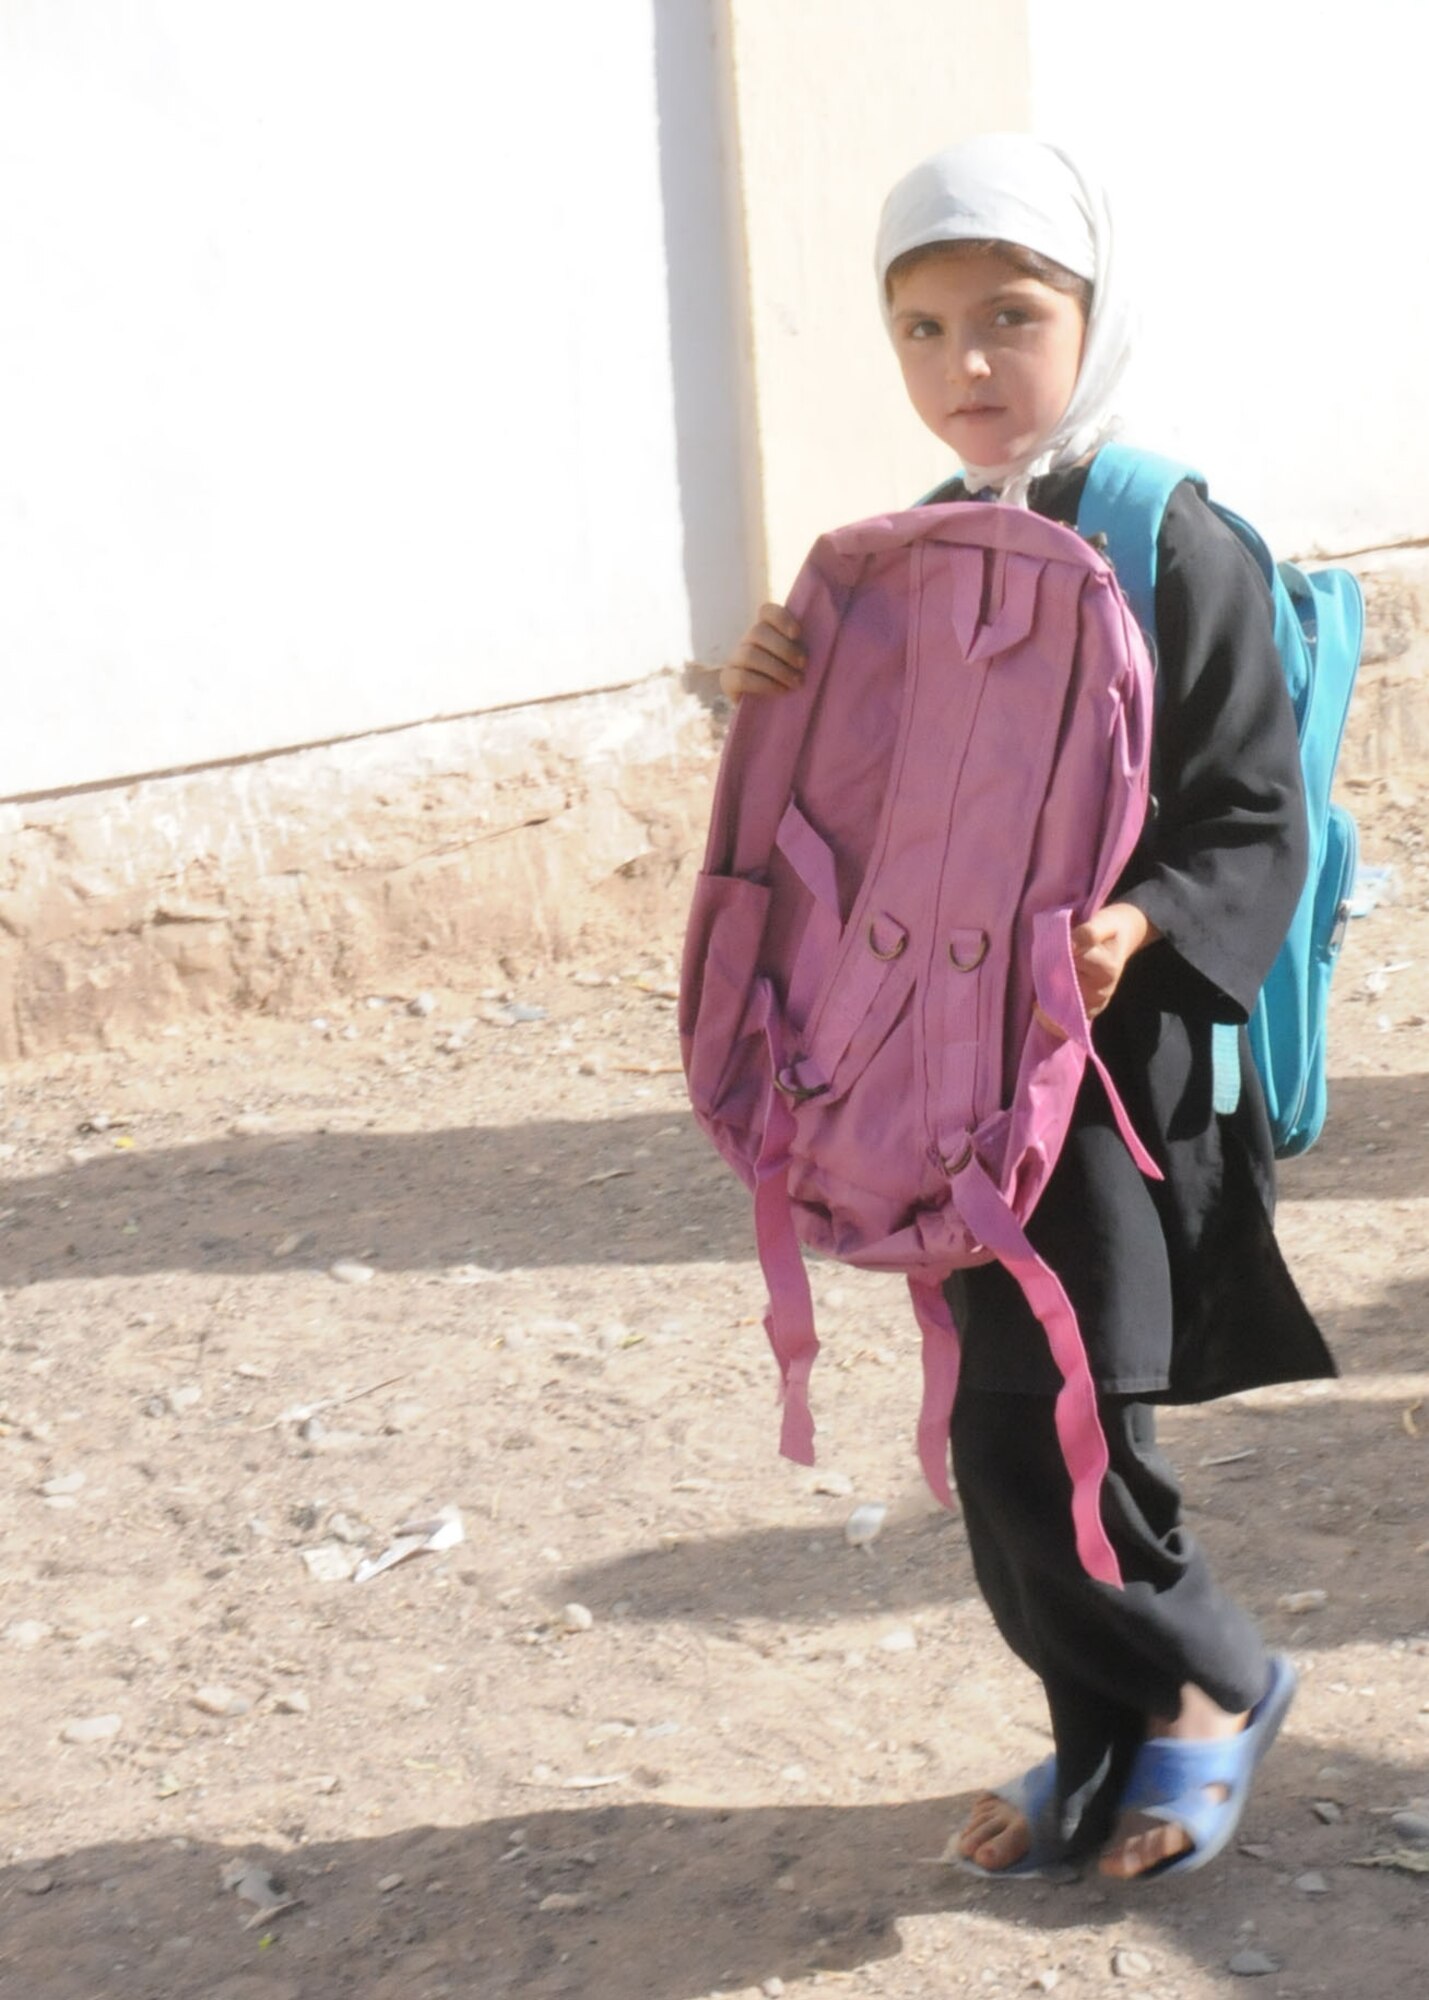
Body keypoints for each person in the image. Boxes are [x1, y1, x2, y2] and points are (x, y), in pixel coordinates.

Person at [718, 134, 1335, 1882]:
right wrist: (781, 686)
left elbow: (1247, 809)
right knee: (1002, 1447)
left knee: (1054, 1432)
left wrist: (1140, 920)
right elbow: (862, 809)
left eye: (1007, 317)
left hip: (1113, 1084)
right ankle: (1101, 1735)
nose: (962, 366)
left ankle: (1213, 1688)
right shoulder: (910, 555)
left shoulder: (1168, 531)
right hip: (953, 1083)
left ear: (1094, 312)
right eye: (919, 328)